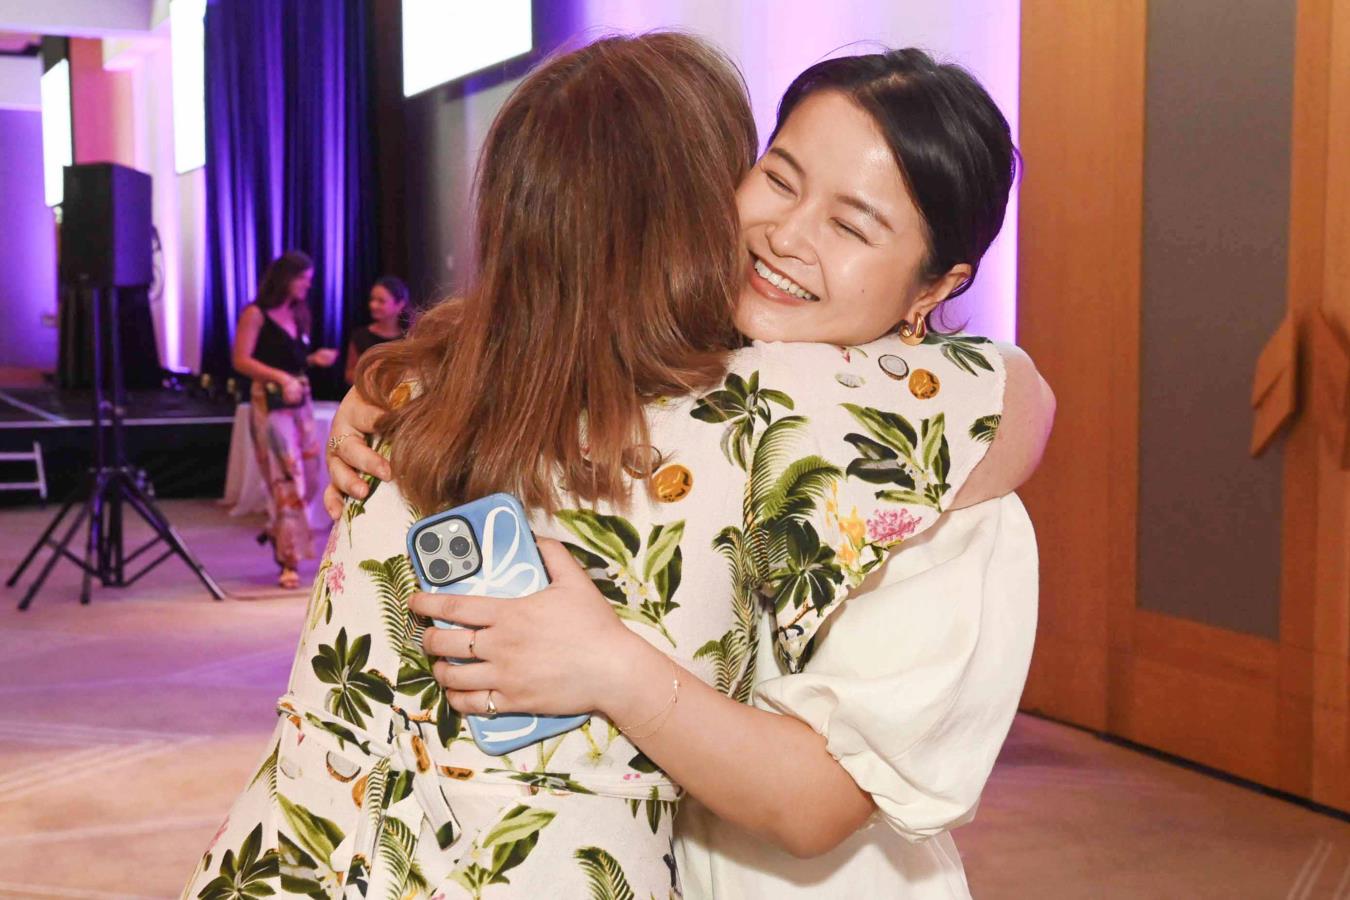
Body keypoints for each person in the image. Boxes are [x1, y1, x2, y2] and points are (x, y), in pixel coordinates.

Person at [190, 37, 1048, 900]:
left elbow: (820, 804)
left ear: (936, 286)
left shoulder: (937, 490)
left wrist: (614, 667)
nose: (786, 234)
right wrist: (415, 374)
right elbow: (555, 306)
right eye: (779, 179)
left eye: (852, 225)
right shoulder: (682, 381)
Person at [230, 250, 339, 589]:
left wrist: (313, 360)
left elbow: (292, 359)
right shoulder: (256, 314)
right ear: (285, 279)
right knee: (287, 477)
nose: (307, 285)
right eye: (302, 278)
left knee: (311, 474)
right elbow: (241, 360)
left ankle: (279, 531)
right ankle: (288, 559)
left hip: (299, 401)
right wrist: (279, 377)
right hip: (271, 403)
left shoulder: (298, 313)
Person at [344, 276, 411, 385]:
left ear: (400, 305)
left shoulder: (410, 337)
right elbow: (349, 373)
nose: (373, 305)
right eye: (372, 299)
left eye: (381, 301)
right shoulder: (361, 336)